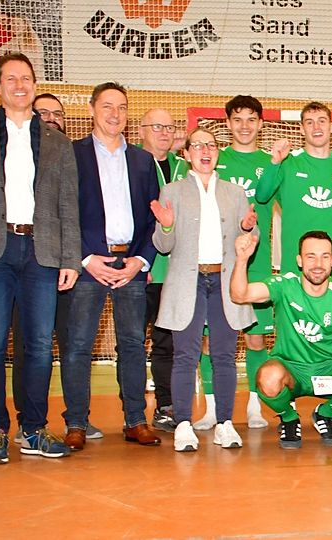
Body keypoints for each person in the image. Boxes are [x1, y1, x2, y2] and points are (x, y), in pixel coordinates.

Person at [0, 53, 79, 464]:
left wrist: (70, 258)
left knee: (39, 347)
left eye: (26, 78)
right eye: (10, 79)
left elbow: (69, 205)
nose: (19, 85)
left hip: (42, 252)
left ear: (33, 85)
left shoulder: (58, 143)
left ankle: (34, 428)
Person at [62, 82, 161, 450]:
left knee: (134, 344)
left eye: (121, 107)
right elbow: (63, 213)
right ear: (91, 109)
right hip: (89, 264)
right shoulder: (72, 155)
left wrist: (139, 260)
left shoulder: (142, 160)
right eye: (107, 106)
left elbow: (155, 219)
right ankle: (75, 422)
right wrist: (85, 258)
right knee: (78, 345)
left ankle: (136, 420)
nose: (114, 113)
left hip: (130, 264)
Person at [258, 101, 332, 432]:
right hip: (296, 269)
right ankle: (286, 403)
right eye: (309, 122)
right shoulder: (289, 166)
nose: (316, 126)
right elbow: (263, 196)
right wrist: (275, 163)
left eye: (322, 120)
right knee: (294, 334)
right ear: (301, 128)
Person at [151, 128, 258, 452]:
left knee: (225, 356)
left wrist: (248, 230)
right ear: (187, 153)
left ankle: (225, 423)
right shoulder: (173, 191)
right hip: (189, 281)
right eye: (197, 146)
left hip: (225, 282)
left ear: (217, 152)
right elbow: (163, 245)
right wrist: (167, 224)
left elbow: (248, 242)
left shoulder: (235, 193)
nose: (205, 151)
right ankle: (183, 423)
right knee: (185, 355)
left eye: (210, 145)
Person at [9, 93, 102, 443]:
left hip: (69, 268)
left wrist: (79, 259)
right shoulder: (19, 154)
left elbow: (82, 214)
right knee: (29, 345)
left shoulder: (73, 155)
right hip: (27, 264)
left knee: (73, 344)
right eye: (43, 112)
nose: (51, 118)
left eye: (57, 113)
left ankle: (75, 418)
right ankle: (27, 420)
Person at [230, 230, 332, 449]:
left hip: (327, 370)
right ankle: (289, 418)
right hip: (291, 370)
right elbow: (239, 295)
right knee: (268, 377)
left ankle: (326, 414)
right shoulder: (284, 285)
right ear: (299, 260)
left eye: (325, 256)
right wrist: (242, 259)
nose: (318, 263)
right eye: (311, 256)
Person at [195, 96, 275, 430]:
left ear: (261, 124)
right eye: (237, 119)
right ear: (227, 123)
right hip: (218, 264)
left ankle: (255, 407)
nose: (244, 125)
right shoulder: (214, 158)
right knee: (211, 342)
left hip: (256, 264)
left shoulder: (273, 163)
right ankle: (212, 408)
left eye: (251, 119)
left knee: (255, 339)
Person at [139, 108, 188, 432]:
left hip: (182, 270)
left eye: (169, 127)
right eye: (157, 126)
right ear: (141, 130)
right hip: (145, 269)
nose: (164, 132)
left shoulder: (185, 167)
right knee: (133, 341)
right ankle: (132, 410)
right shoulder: (134, 163)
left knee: (171, 342)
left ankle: (167, 405)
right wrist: (139, 259)